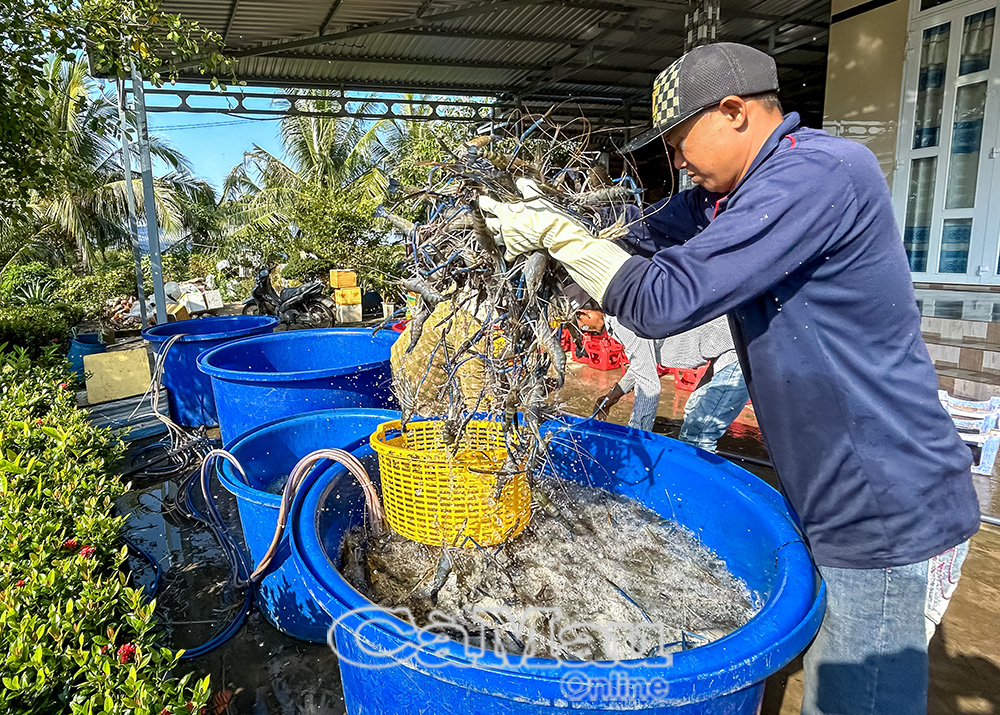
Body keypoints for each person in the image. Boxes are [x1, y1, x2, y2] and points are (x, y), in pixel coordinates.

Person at [478, 42, 981, 715]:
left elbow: (663, 300)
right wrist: (560, 224)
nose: (676, 163)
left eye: (681, 142)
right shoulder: (724, 199)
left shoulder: (821, 176)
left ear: (736, 111)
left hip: (879, 501)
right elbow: (636, 233)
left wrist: (559, 236)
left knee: (852, 699)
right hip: (826, 485)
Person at [576, 307, 662, 431]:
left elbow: (648, 383)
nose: (588, 331)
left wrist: (636, 434)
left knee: (693, 433)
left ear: (584, 312)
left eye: (584, 327)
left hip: (696, 345)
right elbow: (641, 364)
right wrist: (613, 396)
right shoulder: (614, 323)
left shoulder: (622, 321)